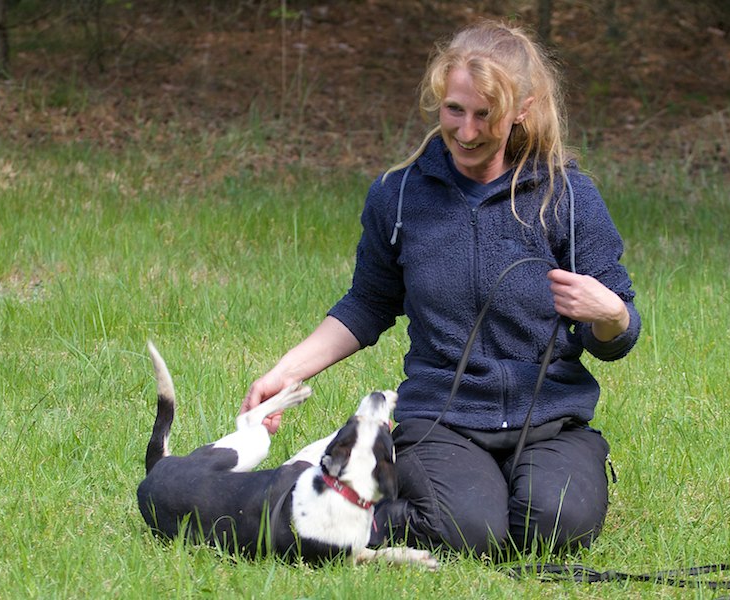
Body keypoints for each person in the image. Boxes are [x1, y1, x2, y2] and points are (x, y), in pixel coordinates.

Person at [241, 19, 640, 557]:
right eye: (455, 110)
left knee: (555, 529)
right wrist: (286, 372)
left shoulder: (567, 198)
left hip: (550, 421)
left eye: (485, 115)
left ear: (522, 109)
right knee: (470, 531)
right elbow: (367, 304)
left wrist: (610, 315)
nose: (467, 132)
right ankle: (330, 507)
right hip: (443, 421)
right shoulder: (399, 195)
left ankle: (521, 486)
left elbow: (617, 334)